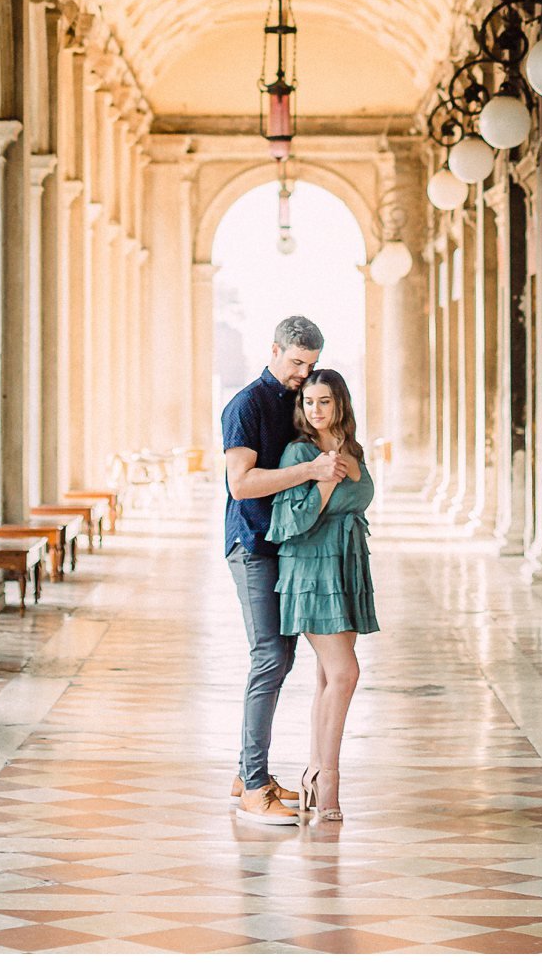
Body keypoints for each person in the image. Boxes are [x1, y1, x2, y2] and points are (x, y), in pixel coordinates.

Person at [222, 315, 340, 825]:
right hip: (250, 544)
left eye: (311, 365)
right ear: (274, 350)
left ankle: (249, 771)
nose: (303, 374)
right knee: (270, 655)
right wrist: (311, 471)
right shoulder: (245, 405)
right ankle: (253, 787)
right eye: (296, 363)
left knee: (282, 655)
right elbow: (241, 485)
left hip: (282, 546)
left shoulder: (296, 398)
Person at [268, 368, 377, 824]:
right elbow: (289, 524)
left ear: (340, 404)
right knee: (345, 673)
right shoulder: (300, 452)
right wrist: (325, 479)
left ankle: (314, 770)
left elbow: (362, 498)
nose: (315, 410)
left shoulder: (351, 448)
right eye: (308, 402)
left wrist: (339, 467)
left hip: (346, 568)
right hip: (311, 570)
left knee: (327, 678)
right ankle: (328, 778)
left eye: (324, 401)